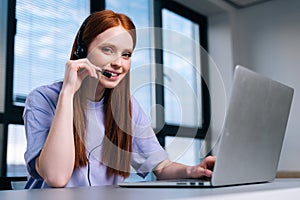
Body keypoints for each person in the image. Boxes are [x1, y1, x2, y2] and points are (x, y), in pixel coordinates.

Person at [23, 10, 215, 189]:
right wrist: (68, 92)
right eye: (107, 50)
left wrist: (194, 170)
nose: (118, 63)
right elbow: (56, 177)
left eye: (126, 55)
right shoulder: (43, 99)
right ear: (82, 51)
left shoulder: (128, 107)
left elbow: (161, 167)